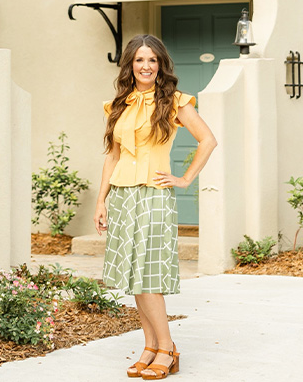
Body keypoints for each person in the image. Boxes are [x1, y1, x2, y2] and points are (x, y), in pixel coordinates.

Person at [94, 34, 217, 380]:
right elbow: (113, 156)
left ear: (160, 65)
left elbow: (208, 140)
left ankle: (167, 348)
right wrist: (101, 200)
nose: (146, 66)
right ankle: (149, 347)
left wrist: (185, 178)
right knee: (134, 277)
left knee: (148, 276)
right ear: (130, 66)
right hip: (122, 197)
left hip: (153, 196)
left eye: (152, 60)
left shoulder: (175, 102)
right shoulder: (118, 104)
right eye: (139, 60)